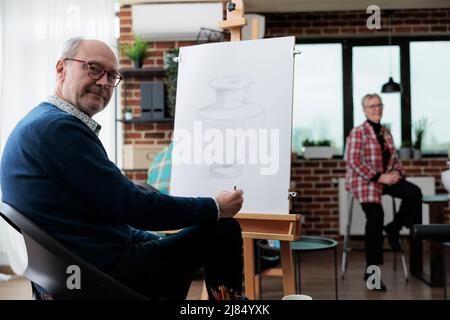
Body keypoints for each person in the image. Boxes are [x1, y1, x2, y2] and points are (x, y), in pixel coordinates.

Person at [0, 38, 245, 300]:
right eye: (94, 68)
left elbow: (103, 215)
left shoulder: (42, 122)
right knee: (221, 230)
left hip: (75, 271)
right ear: (61, 69)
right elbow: (131, 205)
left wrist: (150, 238)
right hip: (100, 277)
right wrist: (214, 207)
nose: (104, 82)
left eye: (112, 75)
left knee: (168, 238)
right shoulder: (58, 129)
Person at [345, 93, 422, 291]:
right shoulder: (358, 132)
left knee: (414, 192)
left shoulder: (386, 132)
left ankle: (393, 228)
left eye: (379, 105)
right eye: (372, 106)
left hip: (387, 177)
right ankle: (373, 276)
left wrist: (396, 172)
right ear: (364, 109)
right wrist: (380, 177)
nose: (376, 109)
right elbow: (353, 162)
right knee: (375, 217)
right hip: (365, 180)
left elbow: (395, 158)